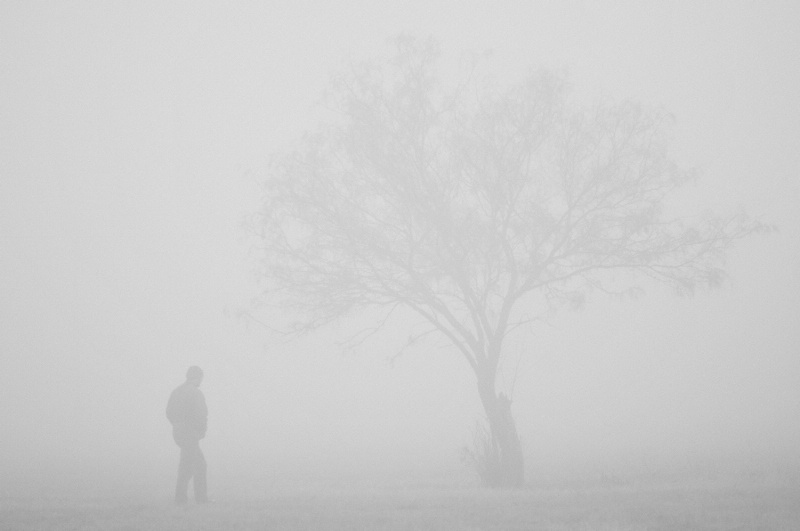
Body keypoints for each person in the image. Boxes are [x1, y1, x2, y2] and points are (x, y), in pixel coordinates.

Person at [166, 365, 209, 505]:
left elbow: (169, 412)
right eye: (200, 378)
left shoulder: (177, 392)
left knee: (186, 464)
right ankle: (200, 499)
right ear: (197, 377)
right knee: (199, 465)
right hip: (191, 435)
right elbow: (201, 414)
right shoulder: (195, 393)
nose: (201, 382)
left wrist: (177, 425)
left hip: (179, 434)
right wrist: (200, 431)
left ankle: (181, 498)